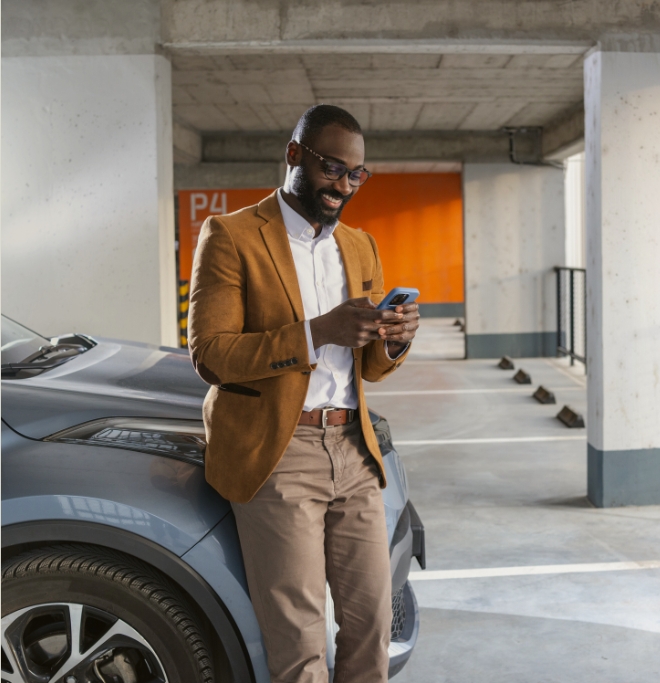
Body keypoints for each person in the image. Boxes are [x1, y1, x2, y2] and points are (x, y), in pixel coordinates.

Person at [187, 104, 419, 683]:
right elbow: (210, 354)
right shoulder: (232, 235)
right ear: (295, 154)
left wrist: (392, 341)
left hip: (355, 452)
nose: (343, 185)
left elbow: (367, 368)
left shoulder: (361, 247)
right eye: (332, 168)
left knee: (372, 629)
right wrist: (319, 333)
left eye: (356, 174)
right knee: (300, 643)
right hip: (280, 452)